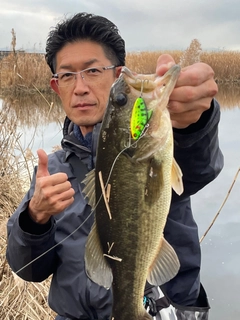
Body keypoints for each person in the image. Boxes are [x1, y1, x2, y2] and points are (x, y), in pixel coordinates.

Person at [6, 12, 223, 320]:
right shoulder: (51, 169)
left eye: (92, 70)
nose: (80, 87)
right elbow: (28, 269)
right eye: (67, 75)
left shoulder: (160, 144)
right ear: (56, 87)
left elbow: (200, 165)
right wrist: (34, 218)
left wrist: (196, 122)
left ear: (117, 76)